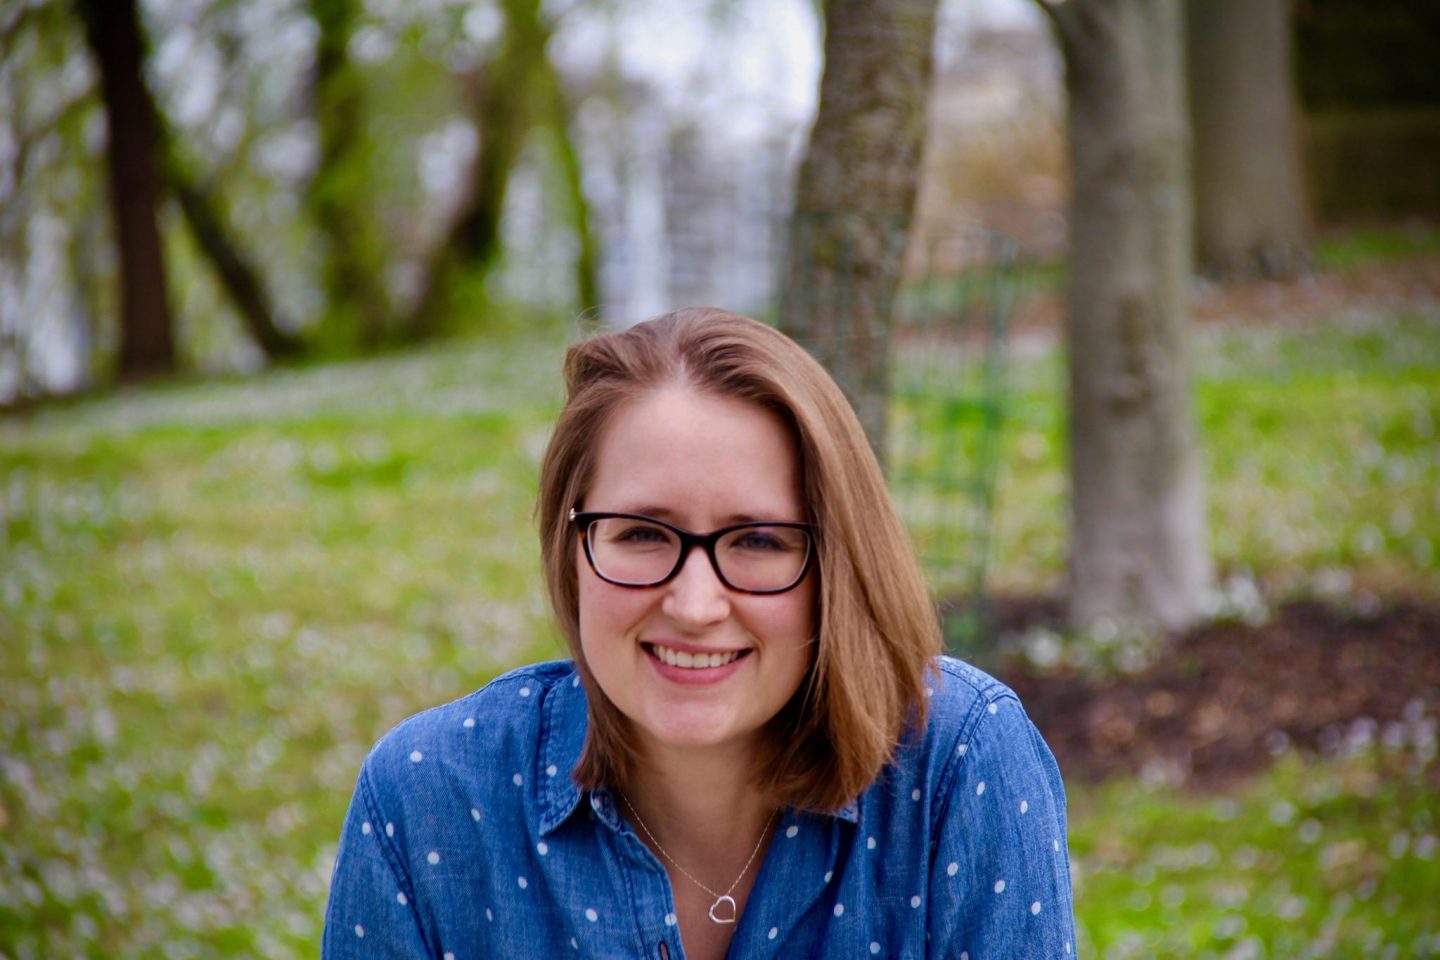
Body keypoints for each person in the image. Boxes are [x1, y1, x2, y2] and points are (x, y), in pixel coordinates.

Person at [322, 307, 1076, 959]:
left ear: (838, 567)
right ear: (571, 543)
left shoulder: (960, 763)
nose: (693, 603)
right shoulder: (426, 798)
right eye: (643, 533)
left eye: (758, 541)